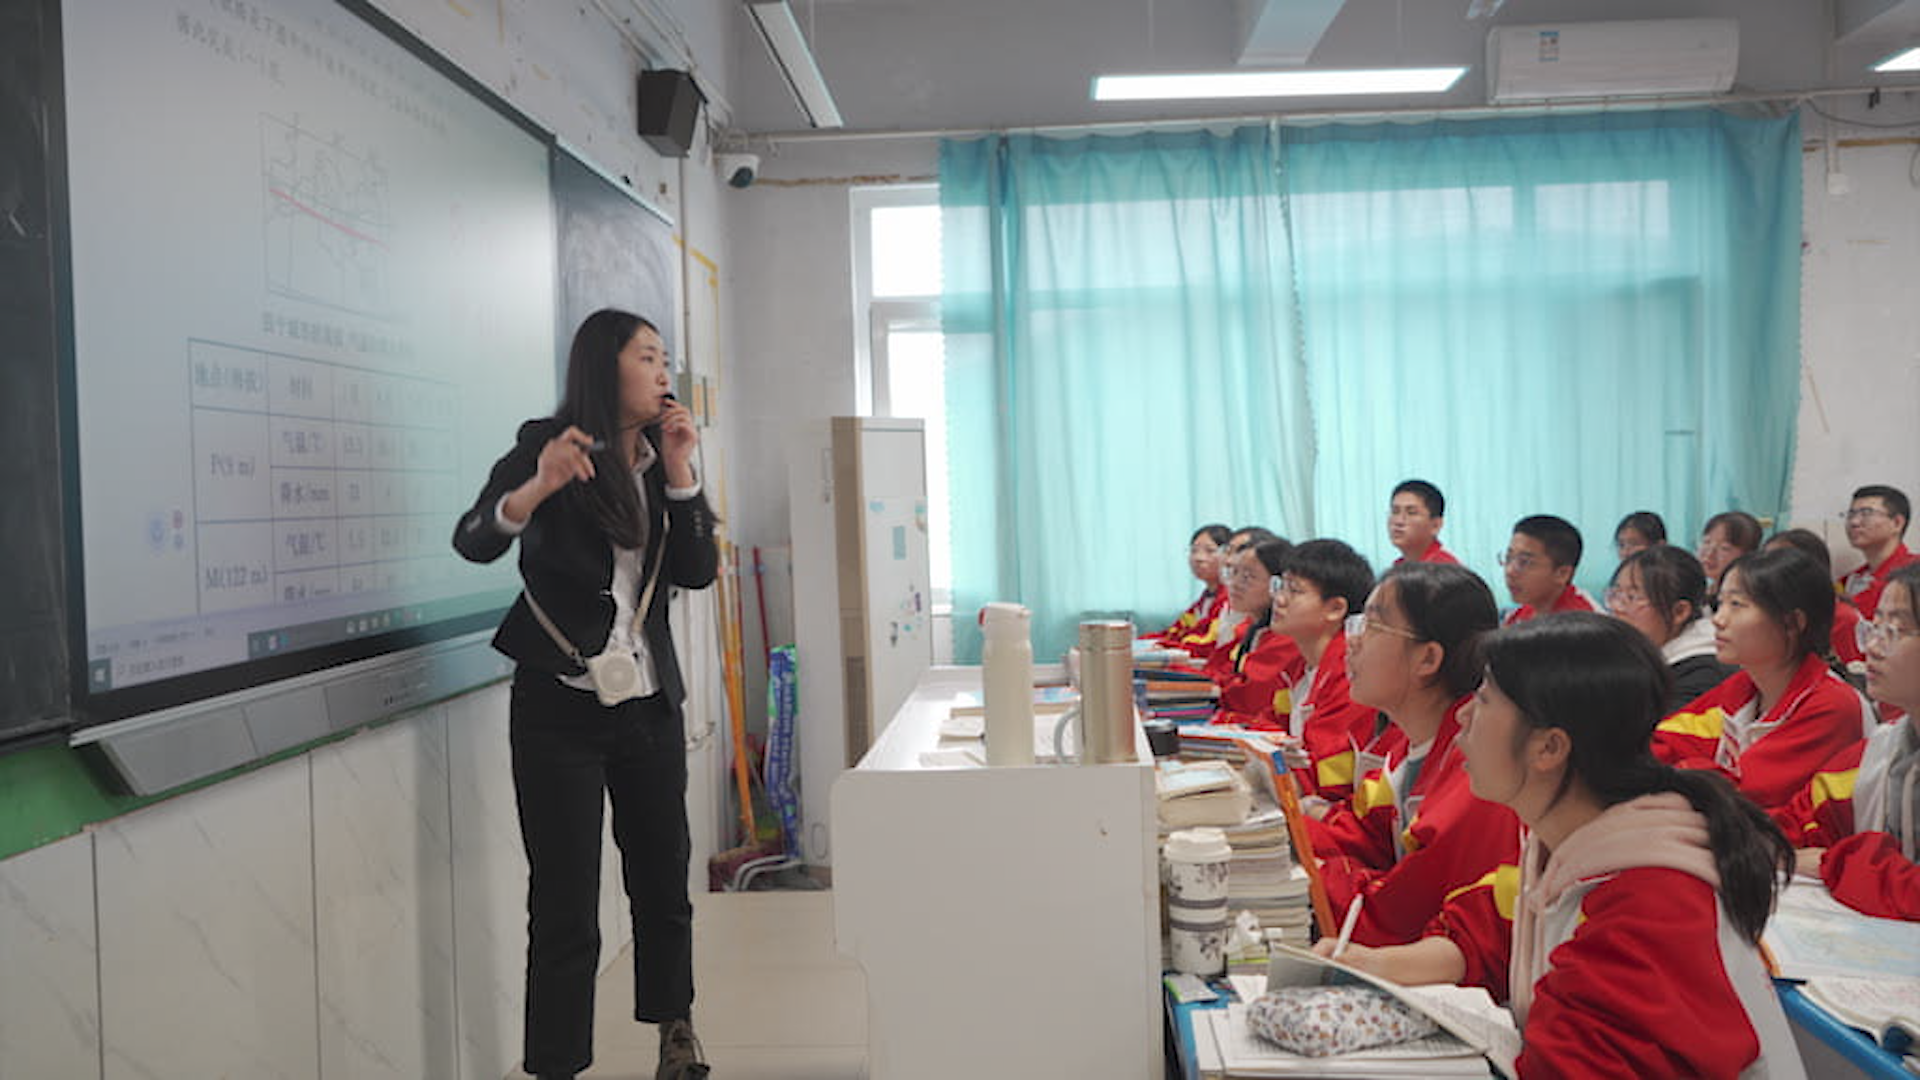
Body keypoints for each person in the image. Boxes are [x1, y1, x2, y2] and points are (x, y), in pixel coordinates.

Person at [1323, 614, 1804, 1079]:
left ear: (1549, 748)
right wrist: (1372, 964)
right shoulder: (1569, 841)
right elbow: (1489, 934)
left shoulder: (1652, 903)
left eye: (1484, 699)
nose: (1463, 715)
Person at [453, 309, 718, 1080]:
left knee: (662, 881)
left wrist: (681, 472)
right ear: (606, 367)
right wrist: (538, 486)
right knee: (565, 900)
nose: (664, 371)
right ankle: (557, 1064)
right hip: (558, 708)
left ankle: (675, 1030)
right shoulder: (549, 445)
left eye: (664, 358)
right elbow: (474, 538)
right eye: (648, 357)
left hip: (648, 704)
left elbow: (697, 571)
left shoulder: (663, 457)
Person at [1304, 562, 1519, 946]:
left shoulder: (1475, 775)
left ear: (1428, 659)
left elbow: (1396, 920)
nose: (1352, 641)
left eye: (1372, 626)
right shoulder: (1413, 742)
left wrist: (1305, 868)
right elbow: (1365, 838)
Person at [1655, 548, 1870, 812]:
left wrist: (1685, 771)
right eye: (1720, 603)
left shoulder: (1832, 705)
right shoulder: (1745, 686)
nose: (1718, 620)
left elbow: (1743, 794)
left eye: (1736, 605)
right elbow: (1664, 742)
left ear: (1792, 622)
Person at [1773, 562, 1920, 920]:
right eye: (1875, 626)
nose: (1872, 647)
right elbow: (1797, 823)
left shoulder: (1831, 701)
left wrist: (1836, 862)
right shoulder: (1883, 751)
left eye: (1895, 630)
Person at [1266, 539, 1378, 803]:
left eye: (1294, 590)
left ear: (1335, 609)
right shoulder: (1297, 665)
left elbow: (1328, 782)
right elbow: (1269, 726)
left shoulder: (1349, 674)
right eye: (1280, 585)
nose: (1279, 599)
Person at [1607, 544, 1736, 712]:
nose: (1617, 607)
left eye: (1632, 597)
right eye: (1616, 593)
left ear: (1679, 612)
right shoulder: (1644, 649)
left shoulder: (1702, 674)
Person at [1206, 538, 1306, 727]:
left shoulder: (1287, 638)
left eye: (1247, 577)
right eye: (1233, 573)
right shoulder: (1253, 628)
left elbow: (1248, 699)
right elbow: (1220, 667)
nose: (1234, 584)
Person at [1764, 528, 1865, 668]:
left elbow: (1853, 673)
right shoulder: (1765, 613)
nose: (1767, 571)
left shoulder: (1842, 617)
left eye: (1780, 564)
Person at [1838, 484, 1916, 620]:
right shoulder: (1850, 580)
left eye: (1866, 514)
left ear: (1897, 523)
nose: (1854, 522)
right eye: (1851, 514)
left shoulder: (1914, 574)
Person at [1500, 515, 1595, 626]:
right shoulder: (1528, 608)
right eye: (1508, 558)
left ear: (1562, 574)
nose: (1509, 572)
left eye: (1524, 562)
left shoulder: (1581, 624)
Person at [1155, 524, 1232, 659]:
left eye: (1209, 551)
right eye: (1194, 550)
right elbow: (1174, 632)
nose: (1198, 558)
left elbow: (1209, 644)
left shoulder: (1231, 598)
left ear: (1228, 556)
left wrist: (1166, 646)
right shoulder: (1204, 599)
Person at [1387, 479, 1460, 566]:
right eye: (1395, 512)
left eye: (1411, 513)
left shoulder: (1443, 568)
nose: (1399, 521)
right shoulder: (1399, 566)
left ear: (1436, 525)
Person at [1697, 510, 1763, 600]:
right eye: (1706, 542)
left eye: (1724, 548)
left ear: (1748, 555)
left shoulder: (1746, 599)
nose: (1709, 554)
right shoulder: (1704, 592)